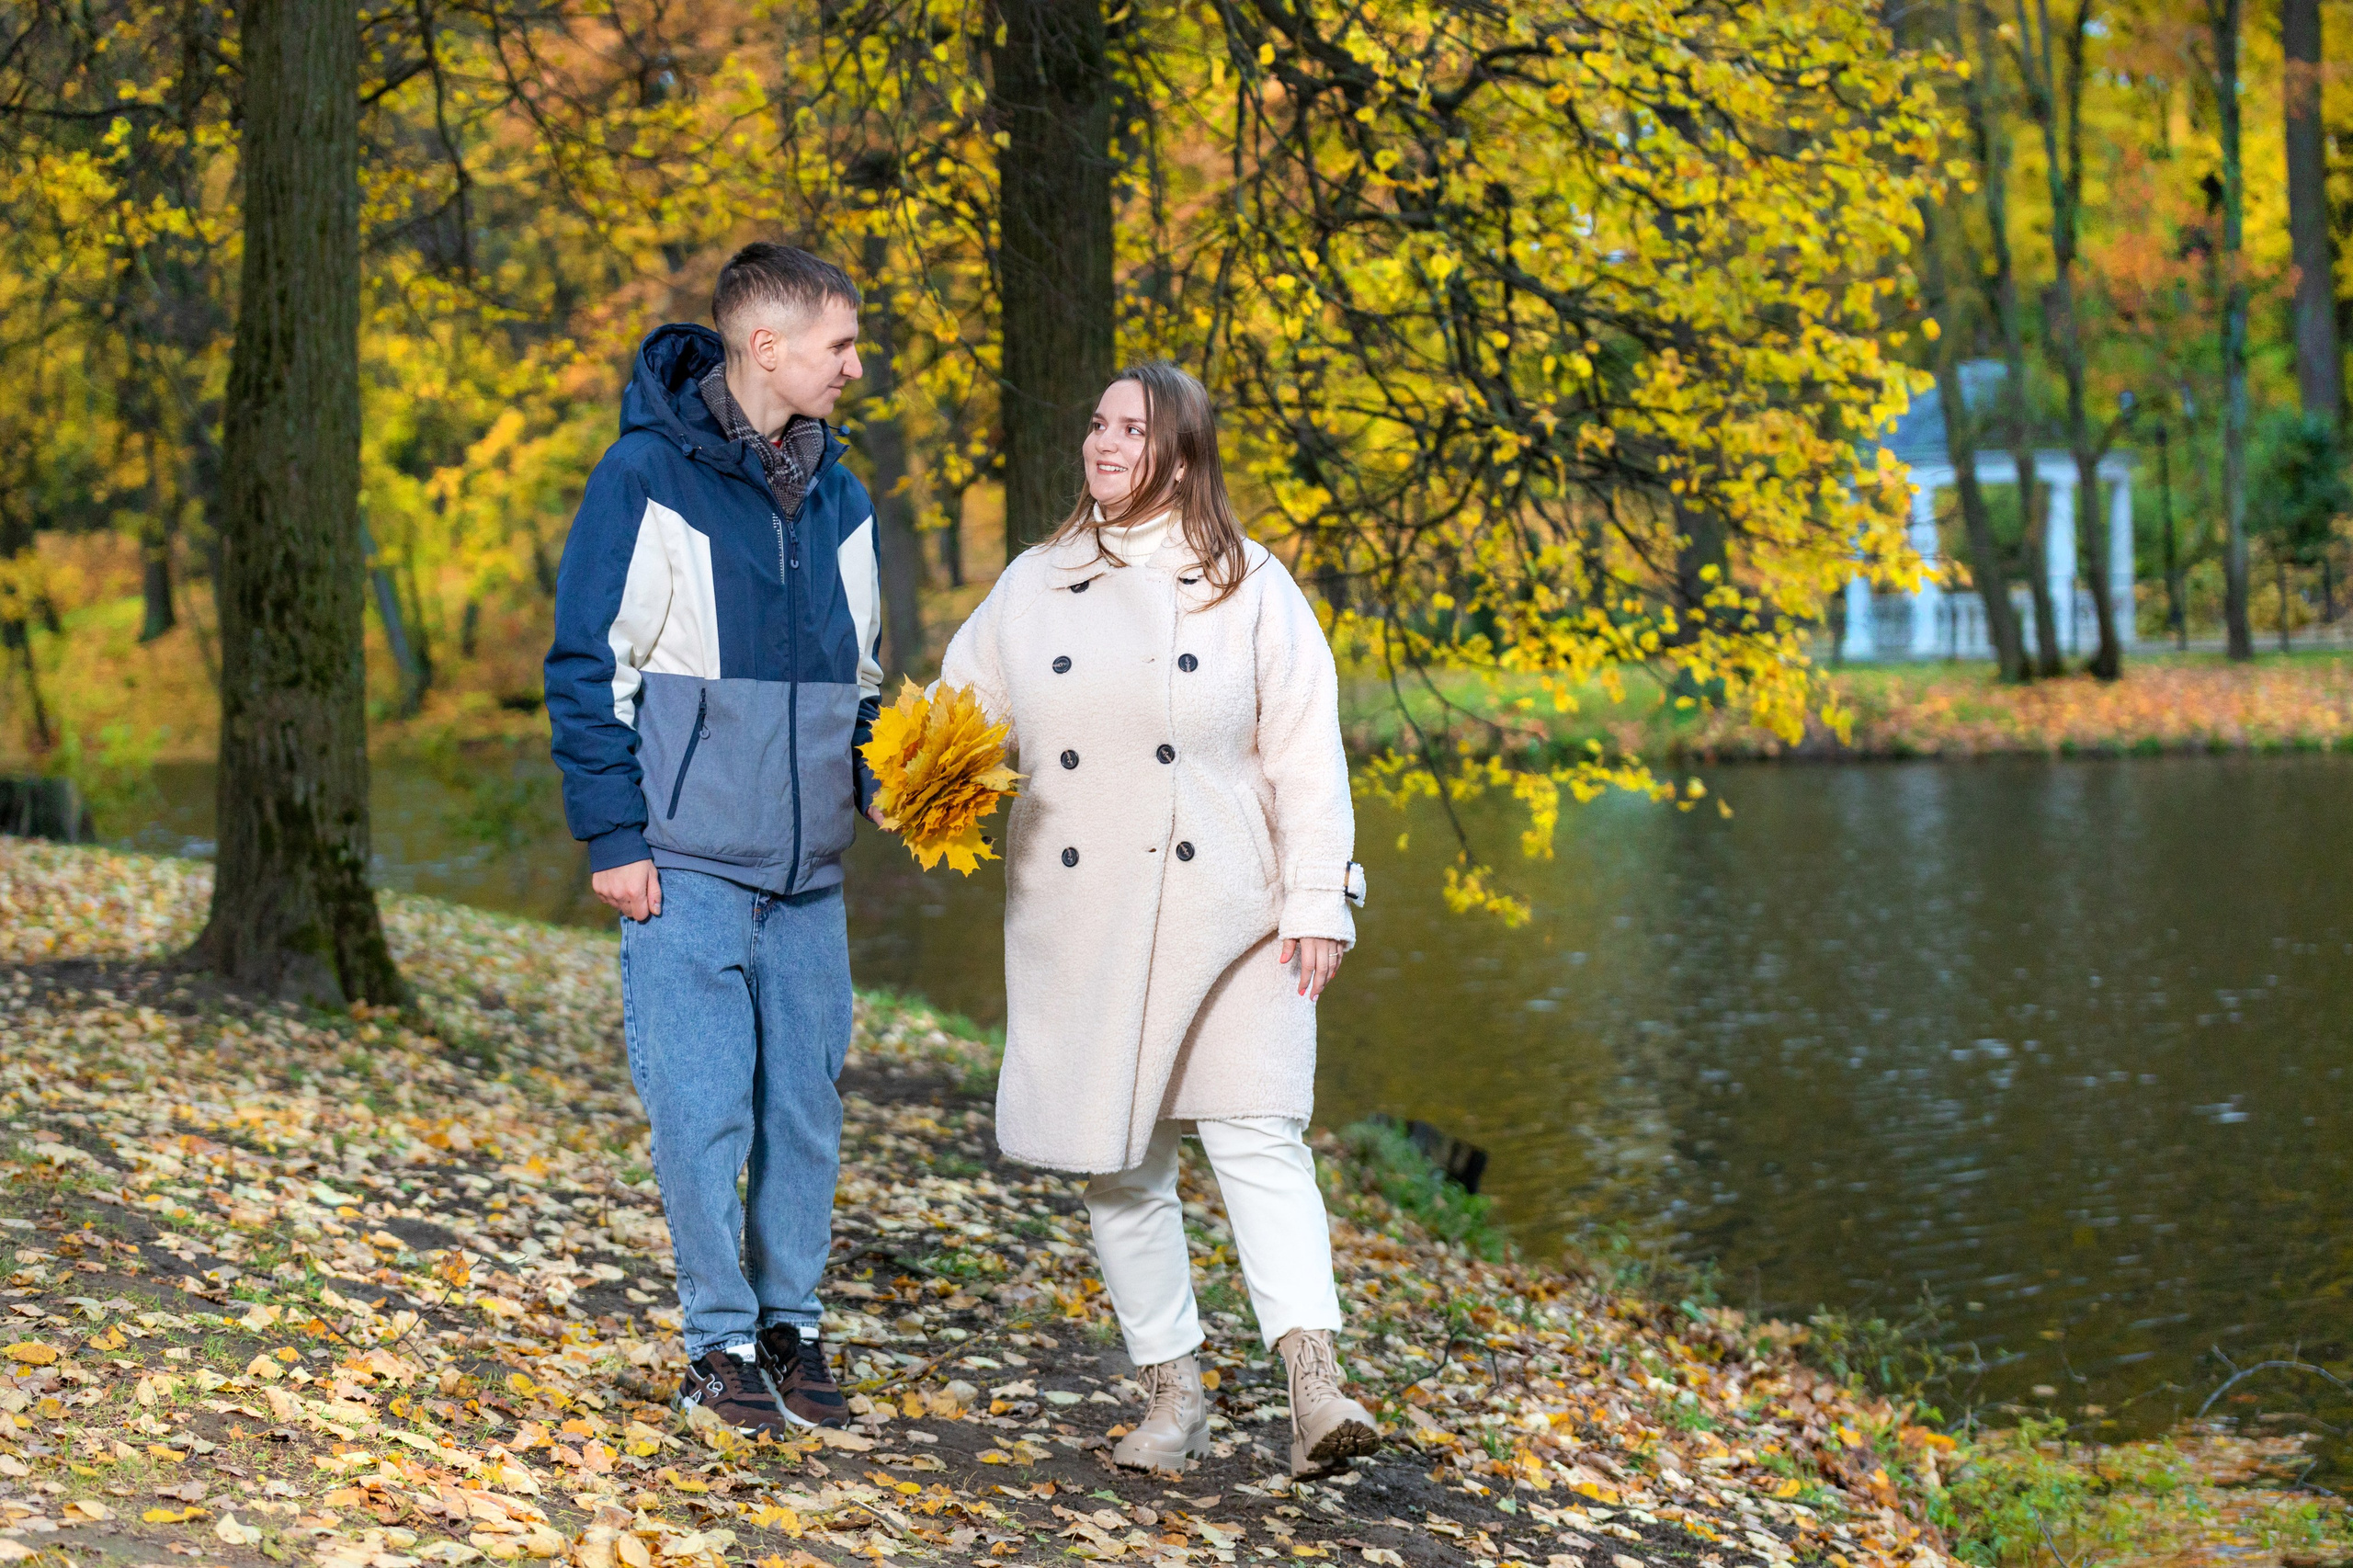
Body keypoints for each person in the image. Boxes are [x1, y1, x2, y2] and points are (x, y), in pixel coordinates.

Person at [937, 360, 1376, 1477]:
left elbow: (1304, 755)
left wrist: (1317, 897)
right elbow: (961, 722)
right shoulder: (1032, 587)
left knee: (1258, 1132)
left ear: (1181, 451)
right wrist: (923, 777)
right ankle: (1172, 1395)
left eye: (1130, 428)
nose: (1103, 443)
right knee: (1120, 1165)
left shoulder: (1251, 584)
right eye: (1095, 424)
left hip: (1230, 903)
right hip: (1082, 908)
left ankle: (1313, 1382)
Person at [545, 244, 885, 1436]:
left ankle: (790, 1325)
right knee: (701, 1109)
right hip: (683, 865)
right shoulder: (645, 478)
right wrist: (615, 835)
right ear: (767, 346)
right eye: (839, 345)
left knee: (804, 1110)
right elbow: (589, 668)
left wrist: (882, 776)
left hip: (809, 881)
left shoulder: (843, 495)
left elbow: (863, 677)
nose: (854, 365)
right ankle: (718, 1340)